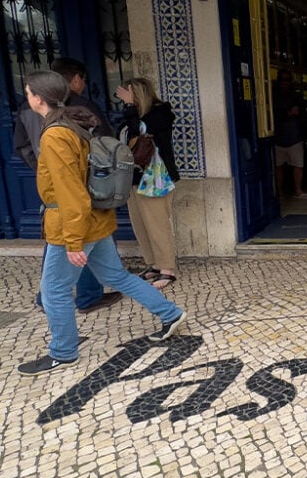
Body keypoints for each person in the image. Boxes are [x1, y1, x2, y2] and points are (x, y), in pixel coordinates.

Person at [17, 70, 187, 376]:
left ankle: (63, 352)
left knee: (53, 289)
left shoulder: (56, 134)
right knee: (117, 277)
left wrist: (72, 240)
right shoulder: (73, 123)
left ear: (38, 98)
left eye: (28, 92)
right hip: (95, 220)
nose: (26, 97)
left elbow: (70, 190)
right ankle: (170, 313)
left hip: (75, 223)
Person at [13, 56, 121, 314]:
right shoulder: (82, 108)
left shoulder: (29, 112)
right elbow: (106, 146)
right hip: (79, 191)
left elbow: (23, 147)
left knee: (65, 245)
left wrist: (45, 170)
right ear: (73, 80)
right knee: (77, 242)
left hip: (59, 191)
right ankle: (84, 298)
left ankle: (50, 298)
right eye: (82, 78)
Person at [116, 77, 180, 289]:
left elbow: (140, 131)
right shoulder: (131, 115)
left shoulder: (161, 113)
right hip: (134, 177)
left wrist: (128, 107)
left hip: (156, 178)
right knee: (141, 225)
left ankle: (167, 269)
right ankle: (154, 264)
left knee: (157, 224)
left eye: (128, 94)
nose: (124, 98)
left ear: (138, 93)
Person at [273, 69, 307, 200]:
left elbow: (302, 114)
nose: (284, 82)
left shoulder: (296, 96)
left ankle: (298, 190)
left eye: (287, 80)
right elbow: (272, 115)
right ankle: (280, 193)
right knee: (278, 167)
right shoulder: (273, 95)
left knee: (298, 165)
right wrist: (288, 113)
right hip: (278, 137)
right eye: (282, 80)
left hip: (295, 137)